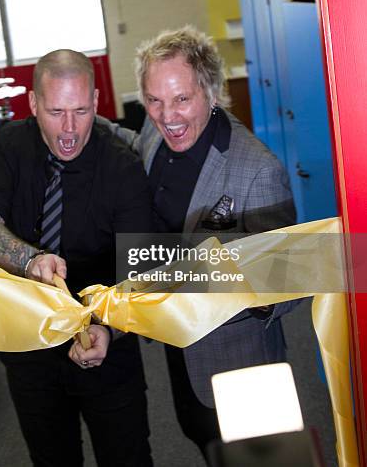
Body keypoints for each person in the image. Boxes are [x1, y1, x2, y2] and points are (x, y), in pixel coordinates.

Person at [105, 24, 298, 457]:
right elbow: (137, 144)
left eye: (181, 99)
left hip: (240, 361)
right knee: (202, 441)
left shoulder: (256, 170)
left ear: (210, 92)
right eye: (153, 100)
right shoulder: (156, 133)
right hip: (182, 350)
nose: (167, 116)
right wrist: (82, 119)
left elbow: (291, 284)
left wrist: (226, 278)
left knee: (264, 462)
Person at [0, 49, 153, 467]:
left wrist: (106, 329)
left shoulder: (122, 167)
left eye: (81, 111)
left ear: (97, 100)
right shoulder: (8, 146)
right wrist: (30, 260)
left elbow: (141, 274)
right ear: (33, 104)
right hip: (30, 347)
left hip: (108, 344)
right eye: (55, 112)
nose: (69, 129)